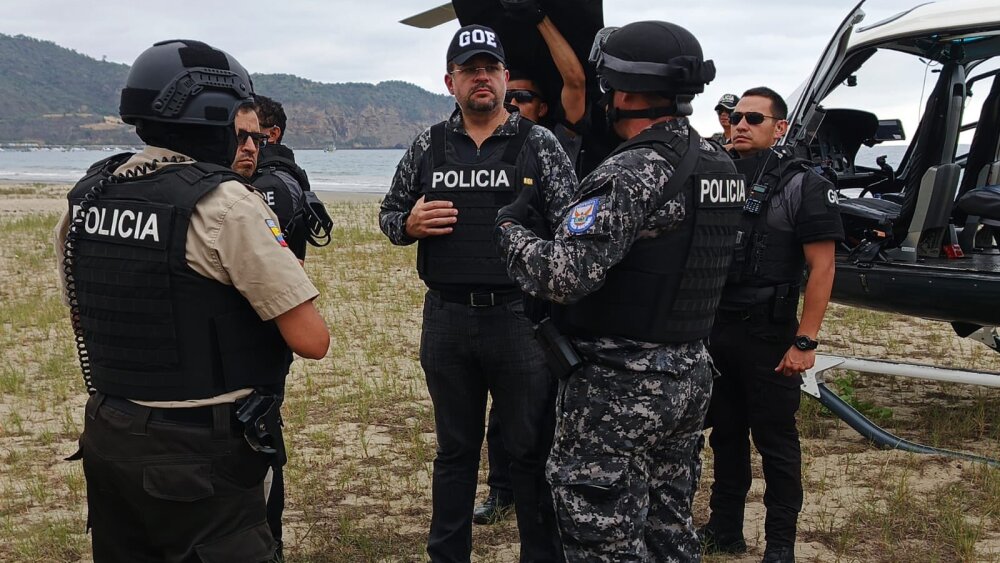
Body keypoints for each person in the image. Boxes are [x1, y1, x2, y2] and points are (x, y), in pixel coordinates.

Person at [56, 39, 330, 562]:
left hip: (110, 434)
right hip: (200, 454)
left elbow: (83, 309)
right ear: (216, 114)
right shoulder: (226, 204)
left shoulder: (89, 194)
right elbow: (312, 339)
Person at [495, 20, 745, 561]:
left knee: (602, 538)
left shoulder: (630, 172)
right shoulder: (719, 164)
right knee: (670, 531)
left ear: (626, 91)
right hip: (688, 377)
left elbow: (563, 276)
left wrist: (512, 232)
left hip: (621, 388)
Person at [379, 24, 576, 563]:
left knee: (530, 451)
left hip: (519, 320)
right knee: (455, 452)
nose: (481, 78)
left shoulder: (540, 144)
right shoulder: (427, 145)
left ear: (505, 77)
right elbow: (389, 216)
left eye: (490, 68)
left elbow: (571, 230)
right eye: (470, 70)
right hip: (446, 320)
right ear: (451, 81)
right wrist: (409, 223)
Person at [698, 87, 843, 563]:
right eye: (735, 117)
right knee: (725, 434)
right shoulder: (712, 174)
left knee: (776, 440)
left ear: (779, 128)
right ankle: (724, 530)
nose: (740, 125)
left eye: (754, 119)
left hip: (769, 331)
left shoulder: (802, 185)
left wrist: (805, 340)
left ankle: (780, 544)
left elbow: (822, 268)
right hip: (718, 330)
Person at [475, 2, 589, 527]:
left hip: (554, 286)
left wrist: (541, 17)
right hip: (498, 293)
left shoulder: (559, 138)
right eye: (509, 93)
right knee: (505, 405)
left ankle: (545, 488)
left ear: (543, 107)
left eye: (524, 96)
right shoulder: (486, 147)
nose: (514, 102)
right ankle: (503, 489)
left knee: (545, 398)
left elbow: (574, 77)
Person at [252, 94, 331, 261]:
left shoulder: (272, 182)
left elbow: (270, 253)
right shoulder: (287, 173)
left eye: (251, 129)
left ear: (273, 133)